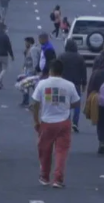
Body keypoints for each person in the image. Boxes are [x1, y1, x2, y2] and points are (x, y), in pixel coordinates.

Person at [31, 59, 81, 189]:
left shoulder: (42, 84)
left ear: (50, 70)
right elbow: (76, 103)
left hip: (46, 122)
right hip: (64, 122)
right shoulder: (69, 85)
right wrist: (65, 105)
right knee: (61, 151)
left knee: (45, 150)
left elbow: (35, 103)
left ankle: (44, 176)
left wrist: (36, 120)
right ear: (61, 71)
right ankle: (58, 179)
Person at [58, 39, 87, 132]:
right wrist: (84, 83)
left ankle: (67, 121)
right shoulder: (79, 57)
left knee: (64, 103)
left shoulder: (62, 56)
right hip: (76, 83)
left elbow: (57, 68)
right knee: (77, 103)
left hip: (63, 83)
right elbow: (84, 71)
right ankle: (75, 122)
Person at [21, 37, 39, 107]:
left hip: (31, 70)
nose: (25, 44)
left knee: (28, 86)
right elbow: (26, 59)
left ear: (29, 42)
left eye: (26, 42)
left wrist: (35, 70)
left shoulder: (33, 49)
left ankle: (30, 101)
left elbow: (35, 60)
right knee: (28, 86)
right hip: (27, 69)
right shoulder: (28, 49)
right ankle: (26, 100)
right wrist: (23, 67)